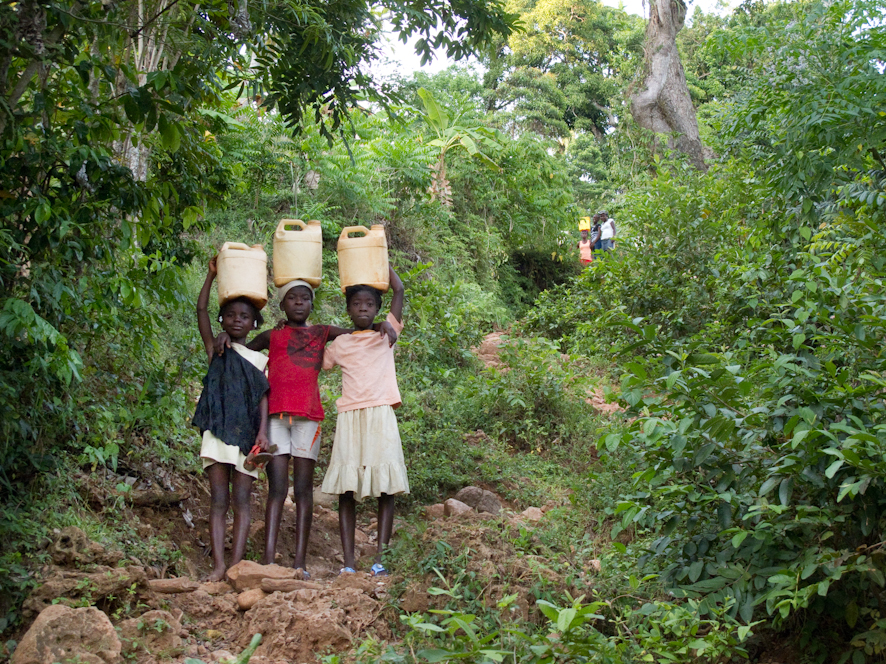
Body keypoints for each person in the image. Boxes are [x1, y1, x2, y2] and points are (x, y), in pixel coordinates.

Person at [214, 280, 397, 577]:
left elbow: (357, 332)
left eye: (304, 298)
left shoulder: (322, 332)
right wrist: (222, 334)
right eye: (292, 298)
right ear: (283, 305)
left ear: (312, 305)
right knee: (277, 490)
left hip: (308, 419)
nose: (298, 303)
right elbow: (241, 350)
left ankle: (300, 563)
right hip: (274, 418)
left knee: (302, 492)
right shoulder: (271, 335)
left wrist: (379, 324)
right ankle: (269, 559)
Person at [321, 266, 408, 577]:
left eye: (369, 304)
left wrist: (379, 259)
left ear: (377, 309)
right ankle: (348, 562)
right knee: (347, 489)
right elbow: (316, 357)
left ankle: (380, 560)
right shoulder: (340, 345)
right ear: (347, 309)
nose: (362, 309)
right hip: (350, 418)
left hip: (381, 414)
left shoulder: (387, 334)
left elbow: (398, 290)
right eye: (356, 304)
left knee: (386, 488)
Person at [193, 257, 270, 582]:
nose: (237, 321)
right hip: (217, 433)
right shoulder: (217, 350)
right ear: (222, 319)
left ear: (254, 324)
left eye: (245, 317)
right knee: (218, 501)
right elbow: (200, 313)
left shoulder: (258, 358)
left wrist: (263, 433)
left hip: (248, 436)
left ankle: (236, 566)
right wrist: (211, 276)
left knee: (242, 502)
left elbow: (263, 397)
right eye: (231, 316)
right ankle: (219, 566)